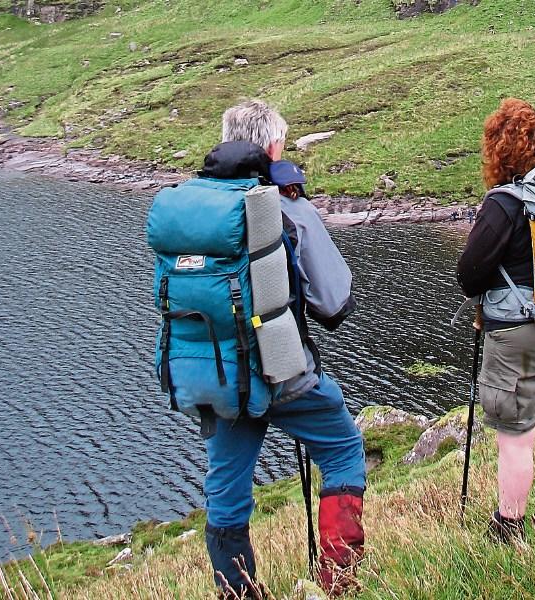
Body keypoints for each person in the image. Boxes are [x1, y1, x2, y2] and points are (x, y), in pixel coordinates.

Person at [202, 100, 366, 597]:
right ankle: (338, 583)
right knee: (342, 453)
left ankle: (238, 590)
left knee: (226, 488)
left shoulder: (195, 209)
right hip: (282, 372)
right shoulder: (287, 206)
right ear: (272, 147)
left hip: (219, 375)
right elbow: (334, 303)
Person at [457, 98, 535, 541]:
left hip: (518, 334)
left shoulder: (504, 203)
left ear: (495, 149)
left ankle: (509, 527)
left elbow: (469, 273)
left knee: (515, 434)